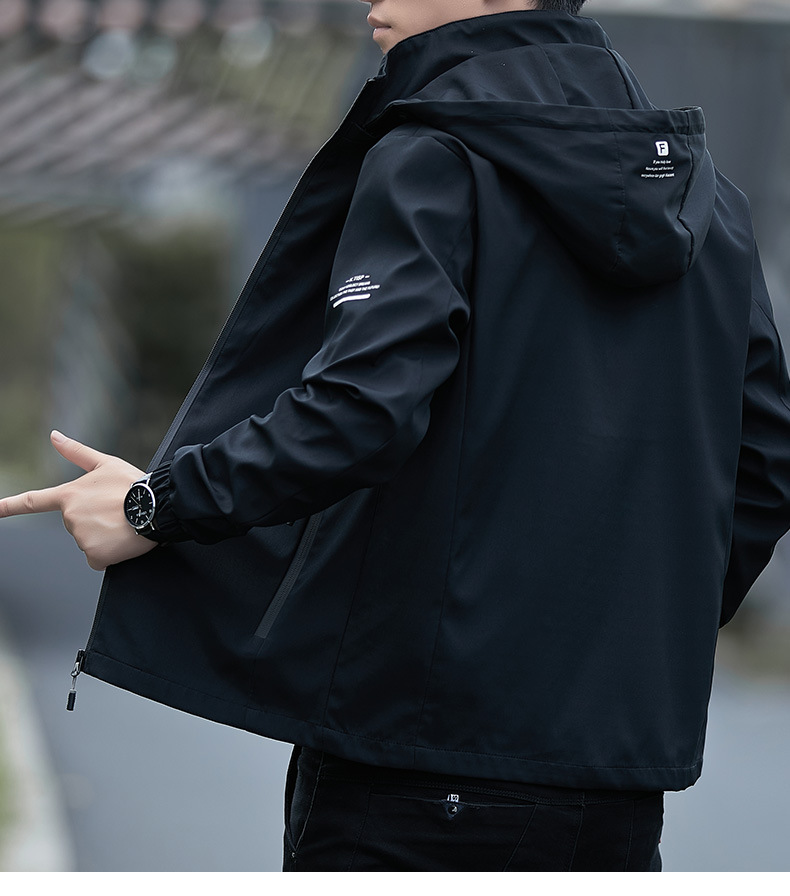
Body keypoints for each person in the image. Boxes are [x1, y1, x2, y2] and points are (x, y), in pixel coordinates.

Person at [2, 0, 790, 872]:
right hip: (613, 790)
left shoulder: (434, 155)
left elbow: (358, 410)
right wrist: (629, 636)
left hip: (413, 773)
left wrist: (154, 504)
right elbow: (767, 464)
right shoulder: (708, 204)